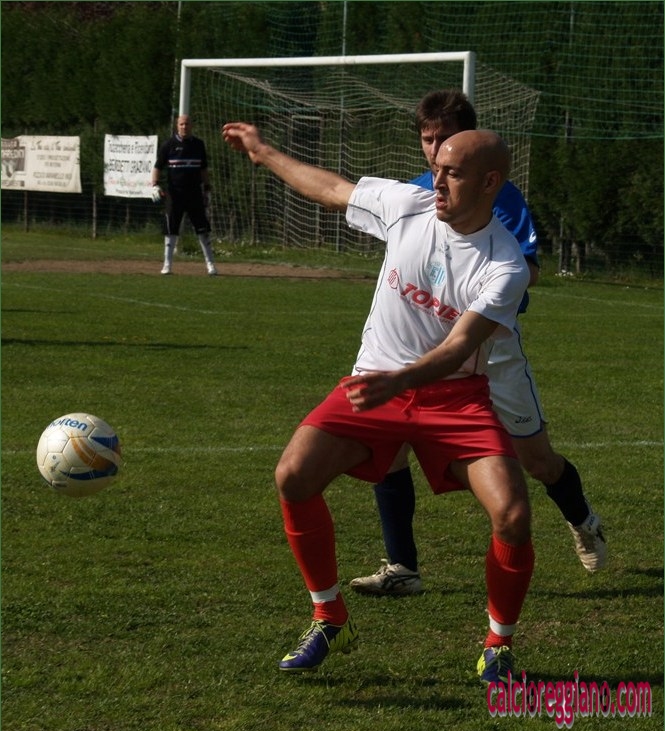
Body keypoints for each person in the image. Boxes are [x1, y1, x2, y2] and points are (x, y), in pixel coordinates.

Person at [223, 120, 535, 685]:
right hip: (375, 384)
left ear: (490, 182)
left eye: (452, 173)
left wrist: (403, 380)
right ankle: (329, 617)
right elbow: (332, 189)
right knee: (293, 475)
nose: (436, 182)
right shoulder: (408, 205)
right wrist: (263, 151)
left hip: (454, 399)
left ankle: (499, 646)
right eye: (436, 169)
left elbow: (460, 346)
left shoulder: (505, 263)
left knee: (512, 515)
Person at [349, 91, 606, 598]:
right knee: (389, 446)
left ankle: (583, 520)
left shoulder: (497, 193)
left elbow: (528, 269)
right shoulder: (418, 193)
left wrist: (478, 285)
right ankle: (403, 567)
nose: (435, 151)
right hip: (422, 353)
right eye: (427, 140)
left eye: (445, 139)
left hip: (493, 354)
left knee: (537, 462)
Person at [151, 114, 218, 276]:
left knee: (202, 229)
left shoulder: (198, 145)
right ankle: (167, 265)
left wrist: (207, 188)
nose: (184, 127)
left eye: (187, 124)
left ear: (191, 125)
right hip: (174, 194)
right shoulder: (168, 145)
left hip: (194, 193)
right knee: (171, 229)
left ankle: (210, 265)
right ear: (177, 126)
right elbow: (158, 167)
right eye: (181, 124)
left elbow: (203, 169)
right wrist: (154, 185)